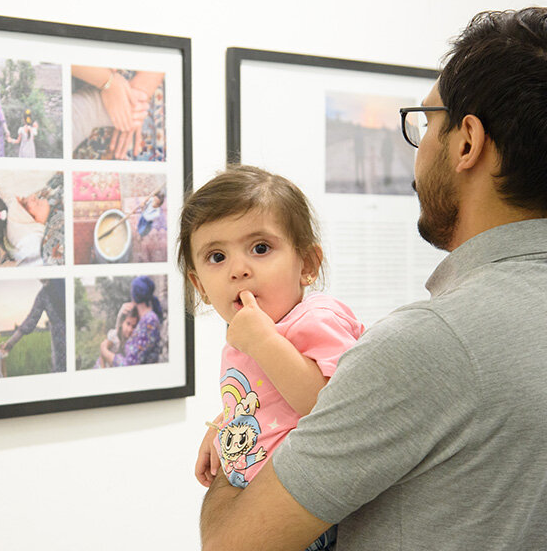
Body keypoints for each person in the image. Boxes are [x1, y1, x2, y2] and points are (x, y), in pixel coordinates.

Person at [200, 7, 547, 551]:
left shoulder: (425, 344)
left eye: (427, 123)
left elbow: (231, 543)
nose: (419, 147)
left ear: (467, 142)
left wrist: (228, 457)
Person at [179, 166, 364, 551]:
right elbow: (265, 398)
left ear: (308, 265)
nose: (239, 269)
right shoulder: (247, 332)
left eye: (261, 248)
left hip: (310, 518)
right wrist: (223, 425)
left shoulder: (316, 318)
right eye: (216, 256)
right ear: (199, 284)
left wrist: (263, 341)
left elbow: (335, 408)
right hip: (259, 506)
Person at [98, 276, 164, 367]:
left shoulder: (149, 320)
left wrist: (104, 352)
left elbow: (129, 364)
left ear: (134, 297)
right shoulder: (145, 319)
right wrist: (120, 317)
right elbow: (120, 335)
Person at [2, 279, 67, 372]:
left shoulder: (63, 282)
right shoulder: (43, 295)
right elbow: (31, 320)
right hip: (59, 345)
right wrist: (9, 344)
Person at [96, 303, 139, 368]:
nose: (130, 329)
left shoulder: (134, 339)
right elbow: (102, 351)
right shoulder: (114, 336)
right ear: (122, 322)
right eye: (128, 324)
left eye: (133, 326)